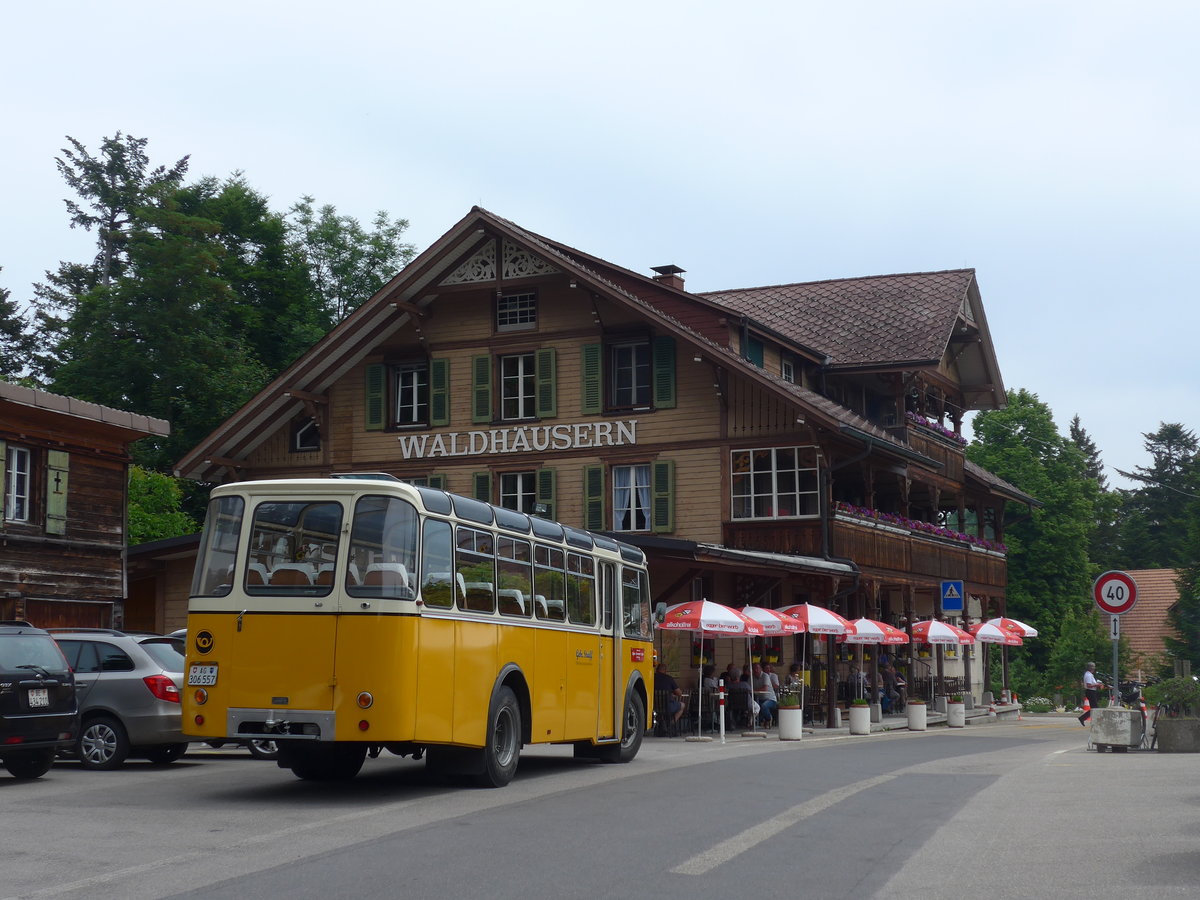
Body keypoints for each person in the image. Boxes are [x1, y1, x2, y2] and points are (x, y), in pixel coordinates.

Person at [654, 663, 683, 729]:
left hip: (654, 707)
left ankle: (660, 724)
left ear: (656, 670)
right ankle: (670, 724)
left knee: (660, 712)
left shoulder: (652, 678)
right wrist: (672, 695)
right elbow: (679, 693)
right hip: (668, 706)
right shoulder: (669, 678)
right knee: (682, 706)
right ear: (665, 670)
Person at [752, 662, 778, 727]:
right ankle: (756, 722)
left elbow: (765, 688)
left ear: (761, 669)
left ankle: (769, 719)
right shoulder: (751, 677)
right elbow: (749, 687)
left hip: (770, 699)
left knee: (763, 706)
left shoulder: (765, 676)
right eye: (754, 668)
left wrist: (753, 690)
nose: (756, 670)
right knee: (753, 706)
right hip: (759, 698)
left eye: (758, 668)